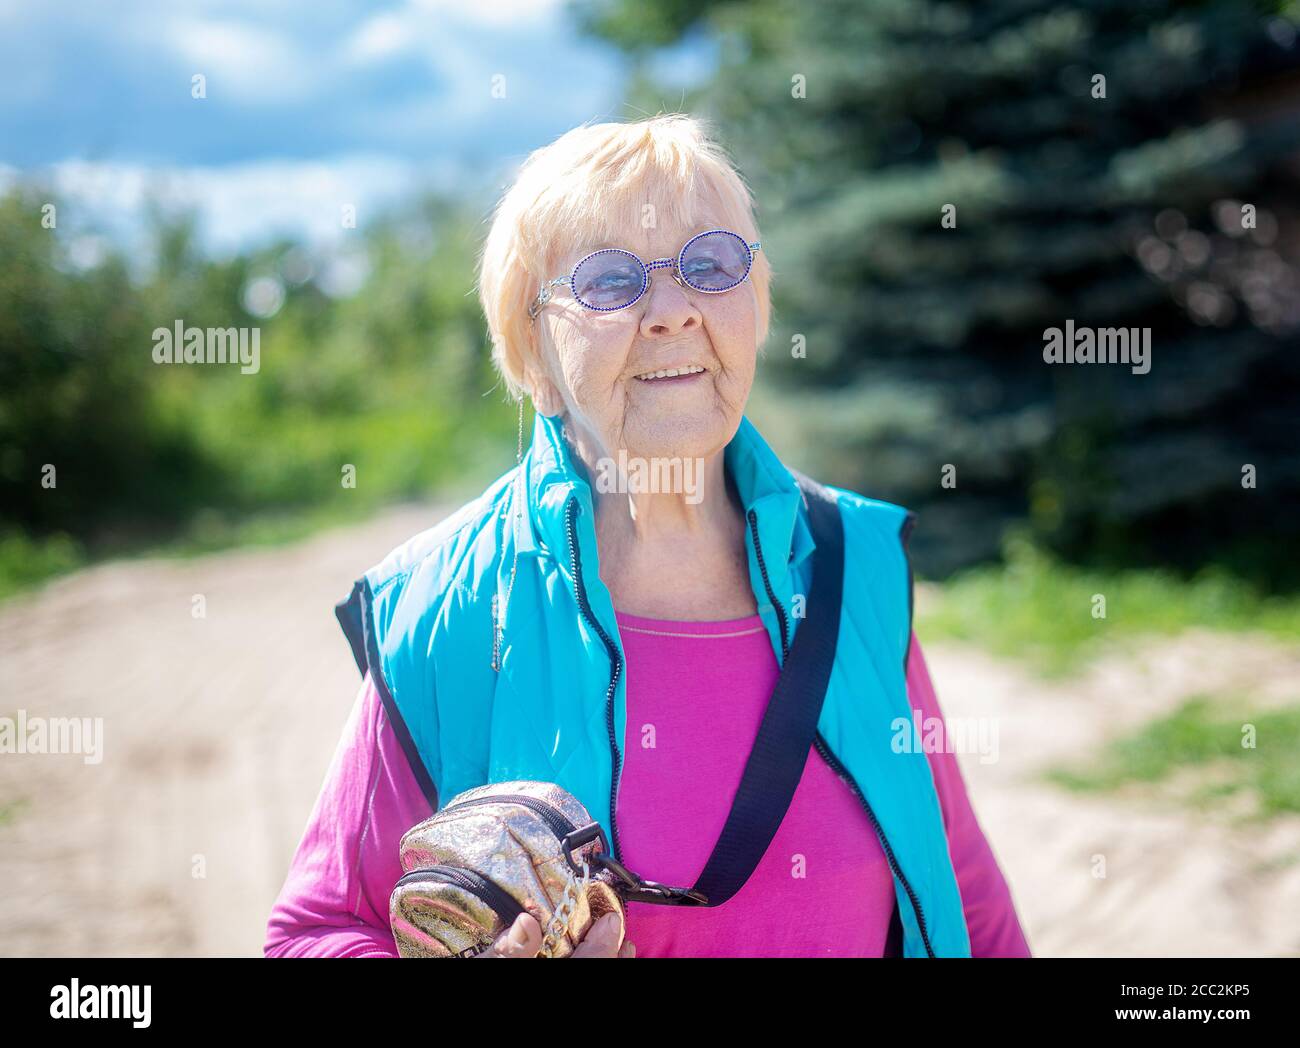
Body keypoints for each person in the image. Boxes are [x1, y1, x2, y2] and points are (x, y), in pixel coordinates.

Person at [264, 114, 1031, 958]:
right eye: (608, 281)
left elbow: (957, 881)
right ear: (531, 355)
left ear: (757, 304)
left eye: (710, 265)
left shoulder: (854, 567)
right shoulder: (447, 610)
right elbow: (317, 933)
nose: (672, 312)